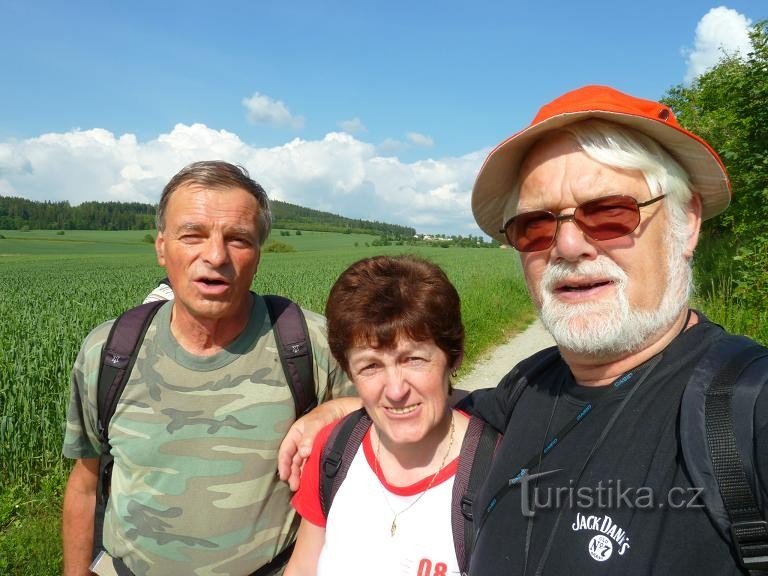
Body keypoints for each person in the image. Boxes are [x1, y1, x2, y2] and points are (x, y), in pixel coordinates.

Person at [278, 85, 768, 575]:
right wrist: (346, 407)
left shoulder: (746, 409)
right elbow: (429, 401)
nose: (568, 245)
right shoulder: (528, 388)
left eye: (610, 212)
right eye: (536, 225)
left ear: (687, 220)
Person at [61, 161, 353, 576]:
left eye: (238, 239)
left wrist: (335, 410)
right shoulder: (108, 351)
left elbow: (402, 416)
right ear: (161, 247)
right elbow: (85, 482)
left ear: (258, 254)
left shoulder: (313, 345)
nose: (215, 256)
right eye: (192, 235)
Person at [285, 255, 475, 576]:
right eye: (370, 366)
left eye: (413, 359)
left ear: (452, 358)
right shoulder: (333, 452)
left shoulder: (497, 470)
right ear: (349, 372)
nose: (396, 390)